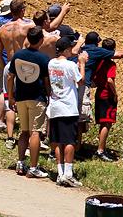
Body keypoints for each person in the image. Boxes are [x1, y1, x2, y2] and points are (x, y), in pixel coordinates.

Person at [6, 26, 51, 178]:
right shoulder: (44, 59)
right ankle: (33, 167)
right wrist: (49, 95)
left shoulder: (18, 55)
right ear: (41, 40)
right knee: (35, 133)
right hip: (37, 98)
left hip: (20, 97)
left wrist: (11, 96)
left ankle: (20, 162)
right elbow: (46, 81)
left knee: (24, 132)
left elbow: (10, 77)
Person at [48, 35, 84, 187]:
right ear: (67, 49)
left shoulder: (51, 63)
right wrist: (82, 63)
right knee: (69, 140)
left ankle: (60, 172)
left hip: (55, 106)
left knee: (57, 141)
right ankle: (68, 174)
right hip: (68, 107)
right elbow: (80, 81)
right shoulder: (70, 65)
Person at [92, 37, 120, 161]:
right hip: (106, 95)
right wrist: (115, 93)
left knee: (103, 122)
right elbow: (110, 80)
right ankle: (101, 150)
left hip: (98, 93)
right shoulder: (110, 64)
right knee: (107, 123)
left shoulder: (97, 62)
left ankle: (100, 147)